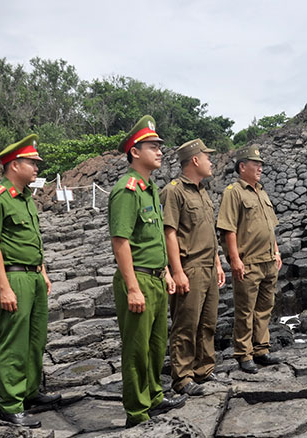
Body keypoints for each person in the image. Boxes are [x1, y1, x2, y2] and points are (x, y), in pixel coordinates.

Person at [108, 115, 186, 428]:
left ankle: (154, 396)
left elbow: (154, 238)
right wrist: (132, 287)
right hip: (137, 278)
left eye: (159, 146)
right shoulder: (126, 190)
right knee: (137, 349)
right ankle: (137, 412)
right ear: (135, 152)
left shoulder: (149, 188)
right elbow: (120, 242)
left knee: (156, 346)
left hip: (155, 277)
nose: (160, 151)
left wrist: (166, 271)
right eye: (153, 146)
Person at [0, 134, 60, 428]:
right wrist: (3, 287)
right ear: (14, 164)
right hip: (14, 277)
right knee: (14, 342)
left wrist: (44, 271)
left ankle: (30, 392)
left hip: (35, 277)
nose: (37, 167)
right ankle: (10, 406)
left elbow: (32, 240)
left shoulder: (25, 198)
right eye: (32, 162)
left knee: (36, 339)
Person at [161, 139, 227, 396]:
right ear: (195, 160)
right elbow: (169, 233)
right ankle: (183, 378)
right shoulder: (173, 191)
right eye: (207, 157)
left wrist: (218, 263)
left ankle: (204, 370)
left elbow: (209, 232)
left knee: (208, 322)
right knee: (186, 324)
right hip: (189, 266)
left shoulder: (202, 191)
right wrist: (176, 271)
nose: (211, 162)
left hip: (209, 266)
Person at [217, 144, 282, 374]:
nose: (260, 168)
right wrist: (234, 260)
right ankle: (244, 354)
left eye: (261, 164)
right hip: (249, 262)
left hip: (268, 260)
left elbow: (269, 226)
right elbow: (228, 229)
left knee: (265, 307)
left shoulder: (261, 192)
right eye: (256, 164)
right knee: (245, 310)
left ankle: (261, 348)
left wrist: (276, 251)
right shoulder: (233, 192)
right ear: (242, 166)